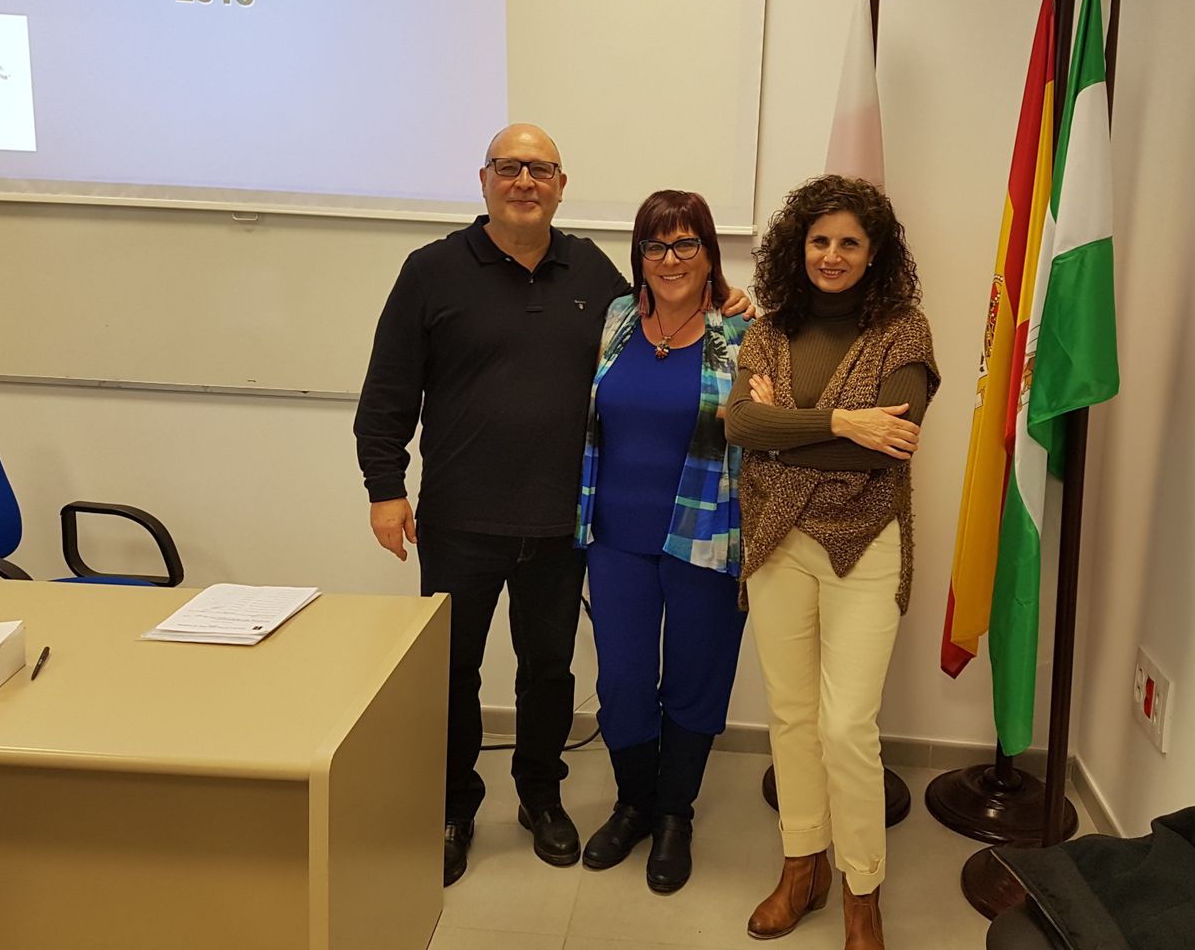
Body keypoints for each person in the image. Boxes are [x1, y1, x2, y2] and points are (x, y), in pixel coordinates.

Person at [354, 124, 752, 888]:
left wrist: (728, 299)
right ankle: (453, 807)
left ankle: (541, 796)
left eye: (540, 169)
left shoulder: (594, 275)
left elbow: (673, 317)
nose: (525, 181)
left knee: (550, 671)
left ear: (562, 185)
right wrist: (384, 488)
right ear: (484, 179)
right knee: (453, 671)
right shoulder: (431, 271)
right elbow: (389, 391)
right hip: (458, 519)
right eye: (510, 167)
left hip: (565, 523)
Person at [723, 175, 940, 950]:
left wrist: (793, 426)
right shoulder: (771, 327)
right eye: (819, 240)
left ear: (874, 252)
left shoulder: (903, 332)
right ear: (798, 248)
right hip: (778, 541)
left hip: (865, 544)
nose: (833, 255)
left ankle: (862, 892)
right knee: (791, 715)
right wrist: (846, 421)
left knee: (846, 725)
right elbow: (741, 423)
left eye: (849, 241)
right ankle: (799, 865)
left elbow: (895, 444)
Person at [573, 190, 748, 895]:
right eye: (655, 245)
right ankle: (633, 804)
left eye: (686, 245)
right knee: (620, 682)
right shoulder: (618, 319)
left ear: (709, 253)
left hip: (707, 536)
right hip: (615, 534)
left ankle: (675, 815)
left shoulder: (740, 333)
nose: (670, 260)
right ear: (638, 257)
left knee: (695, 682)